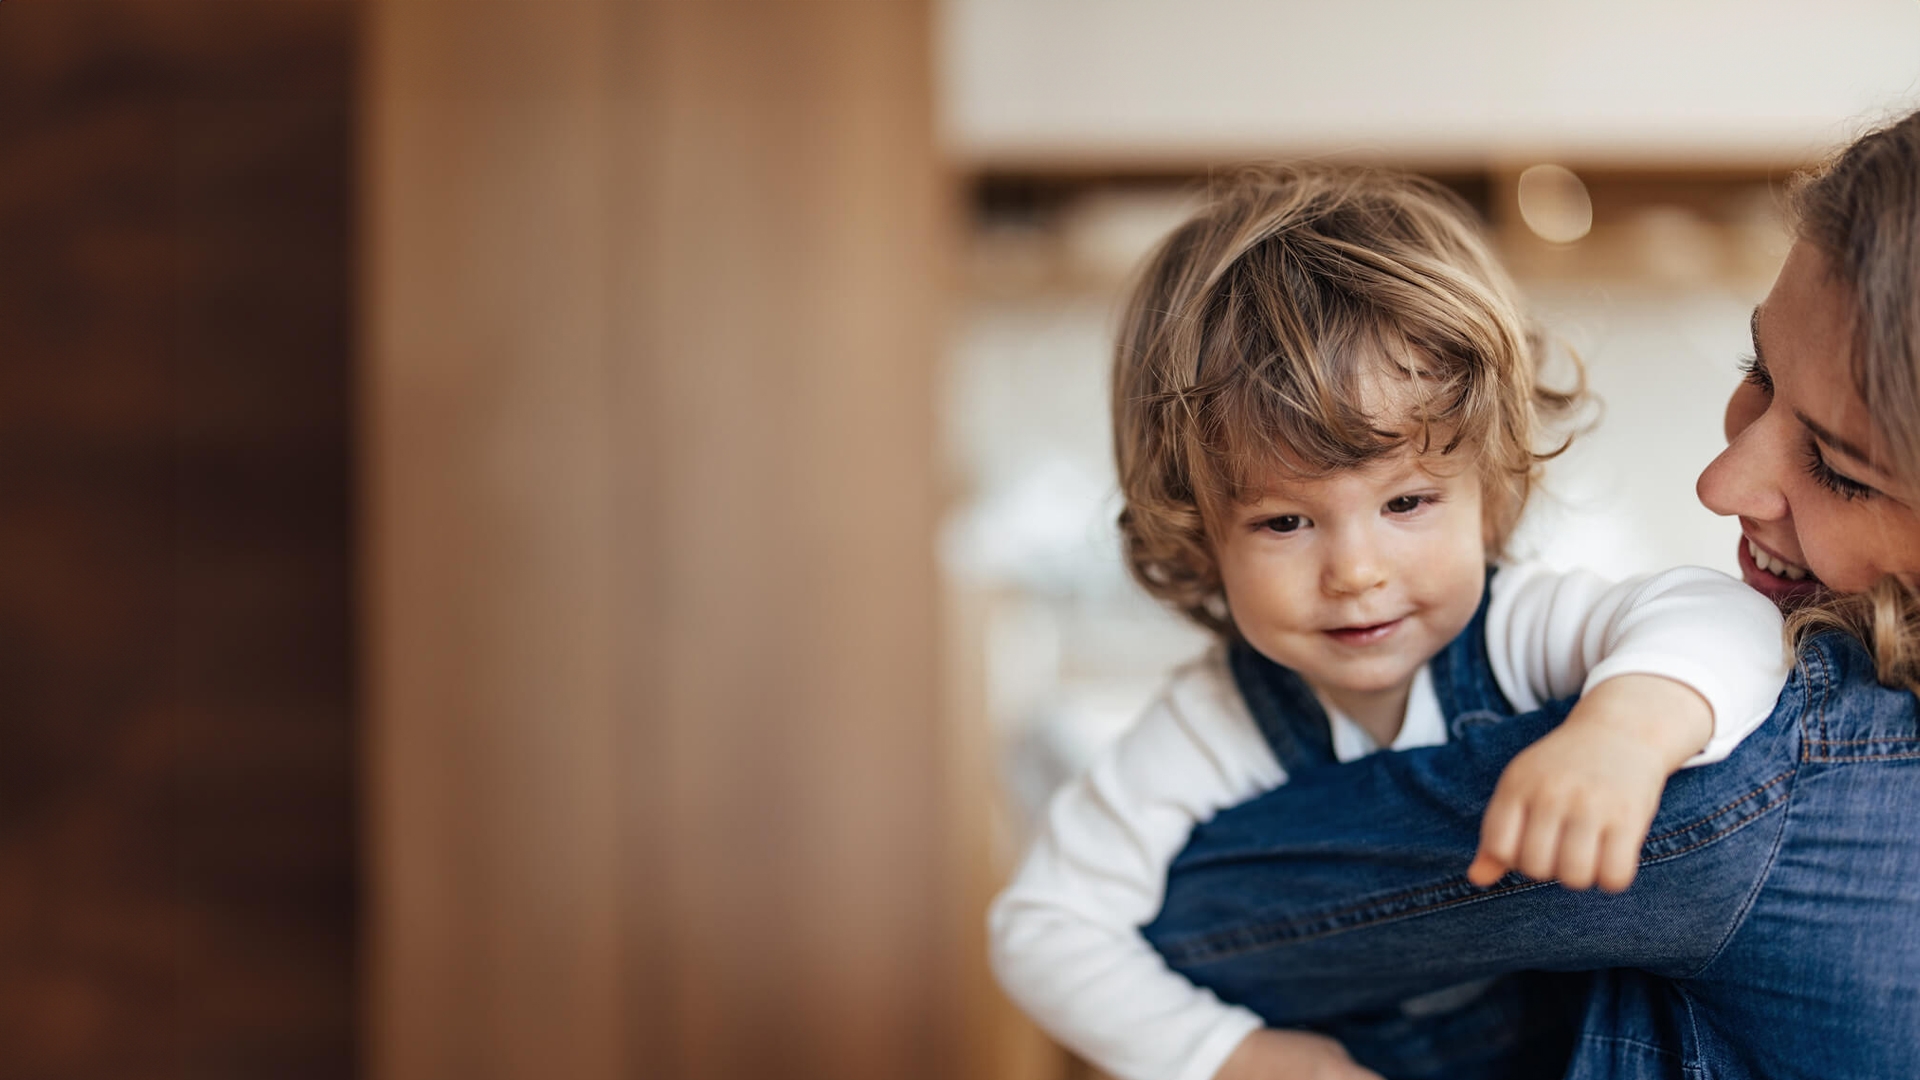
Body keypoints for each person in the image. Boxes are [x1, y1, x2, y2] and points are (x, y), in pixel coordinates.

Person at [1143, 109, 1920, 1079]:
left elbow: (1165, 926)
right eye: (1756, 372)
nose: (1719, 484)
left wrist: (1628, 731)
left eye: (1842, 468)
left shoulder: (1770, 771)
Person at [987, 166, 1791, 1080]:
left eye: (1406, 502)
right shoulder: (1212, 724)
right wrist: (1232, 1055)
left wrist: (1626, 729)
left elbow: (1727, 617)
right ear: (1199, 535)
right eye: (1285, 522)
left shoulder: (1518, 631)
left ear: (1488, 489)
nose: (1356, 572)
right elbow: (1045, 925)